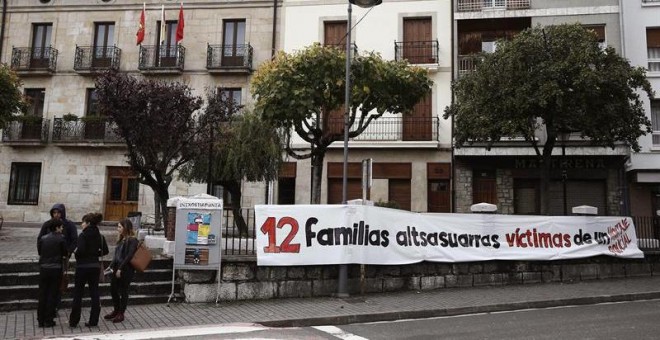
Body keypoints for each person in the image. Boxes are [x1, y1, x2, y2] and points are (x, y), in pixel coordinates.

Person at [69, 213, 108, 328]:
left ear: (88, 223)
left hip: (82, 267)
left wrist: (77, 253)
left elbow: (80, 250)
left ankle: (74, 320)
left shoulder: (83, 235)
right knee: (94, 293)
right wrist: (94, 253)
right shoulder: (100, 236)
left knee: (78, 293)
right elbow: (105, 251)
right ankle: (93, 320)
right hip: (95, 266)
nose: (82, 224)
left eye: (83, 222)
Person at [38, 203, 78, 311]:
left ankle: (55, 305)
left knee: (59, 282)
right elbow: (40, 240)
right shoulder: (47, 224)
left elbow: (74, 240)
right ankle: (47, 306)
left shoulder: (69, 225)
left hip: (62, 257)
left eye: (58, 212)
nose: (56, 215)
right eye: (54, 213)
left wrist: (68, 252)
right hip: (48, 258)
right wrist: (43, 252)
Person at [104, 218, 139, 323]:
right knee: (113, 289)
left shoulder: (133, 240)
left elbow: (129, 256)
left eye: (120, 227)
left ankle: (121, 313)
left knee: (124, 291)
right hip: (116, 268)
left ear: (126, 228)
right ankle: (116, 310)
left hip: (126, 269)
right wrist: (110, 266)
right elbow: (116, 256)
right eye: (118, 226)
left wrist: (120, 268)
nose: (118, 229)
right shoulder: (121, 239)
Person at [37, 219, 67, 328]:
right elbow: (65, 253)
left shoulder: (43, 239)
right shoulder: (61, 239)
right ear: (57, 227)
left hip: (44, 268)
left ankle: (40, 319)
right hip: (55, 269)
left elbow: (40, 251)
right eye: (61, 227)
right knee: (52, 294)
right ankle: (48, 319)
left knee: (42, 293)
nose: (62, 229)